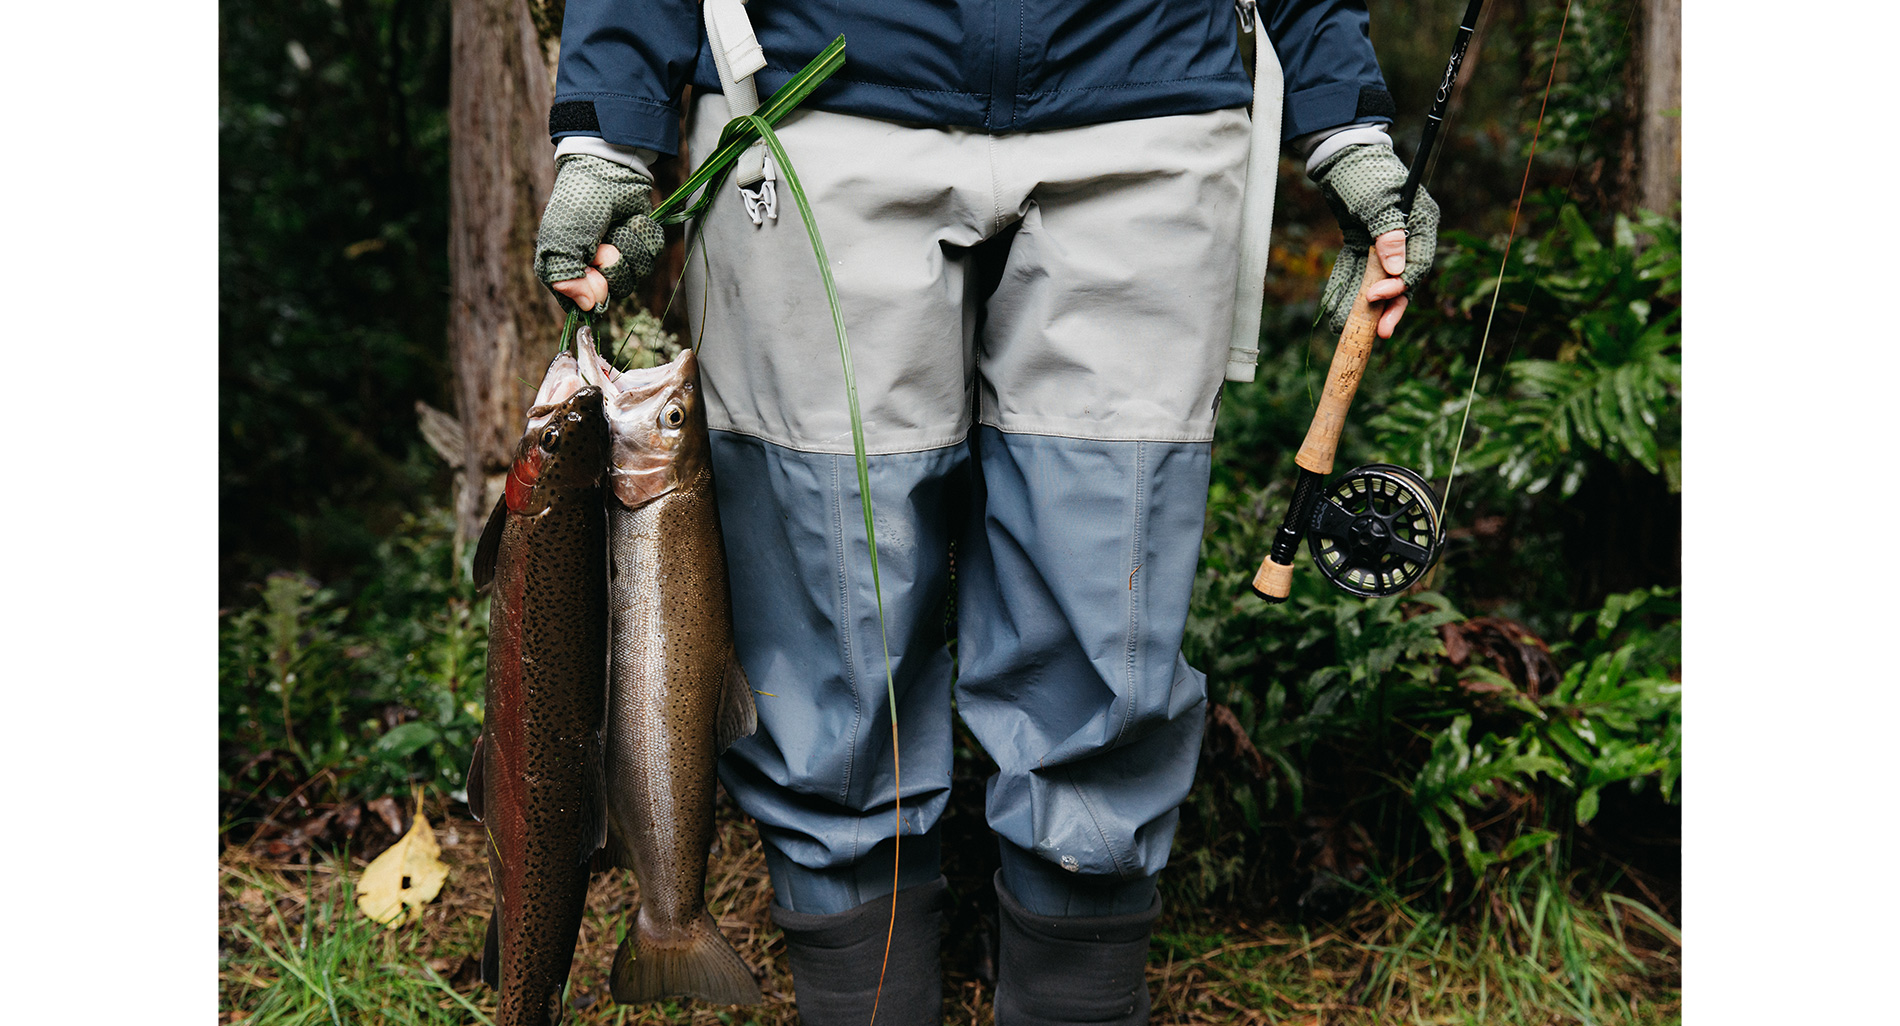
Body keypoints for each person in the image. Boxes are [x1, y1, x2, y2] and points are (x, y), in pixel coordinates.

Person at [531, 3, 1437, 1024]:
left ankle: (1077, 1000)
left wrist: (1349, 128)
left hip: (1149, 111)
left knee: (1109, 603)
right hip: (811, 102)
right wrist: (609, 128)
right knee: (831, 609)